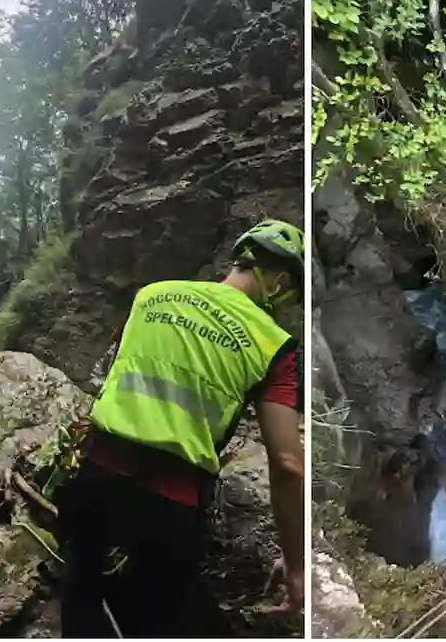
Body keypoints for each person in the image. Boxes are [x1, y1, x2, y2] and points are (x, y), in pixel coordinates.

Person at [56, 219, 305, 637]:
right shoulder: (274, 343)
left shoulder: (150, 296)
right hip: (172, 506)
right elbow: (286, 462)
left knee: (81, 601)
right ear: (278, 280)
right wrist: (296, 564)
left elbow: (115, 375)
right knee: (155, 624)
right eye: (292, 294)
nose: (286, 304)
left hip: (95, 480)